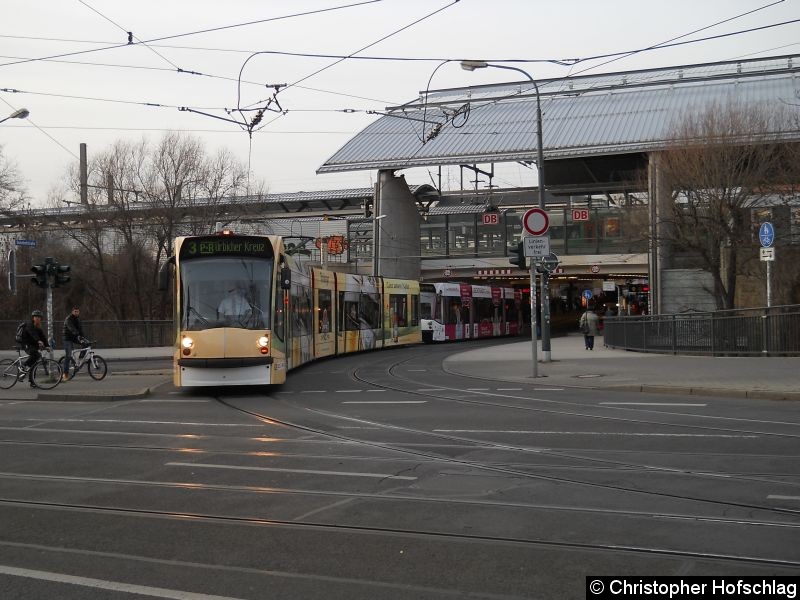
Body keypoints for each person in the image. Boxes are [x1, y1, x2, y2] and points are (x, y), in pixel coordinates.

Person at [18, 310, 49, 387]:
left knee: (34, 364)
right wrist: (38, 341)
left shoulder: (38, 327)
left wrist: (47, 346)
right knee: (36, 354)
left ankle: (32, 382)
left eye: (39, 317)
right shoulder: (30, 325)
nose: (38, 318)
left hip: (33, 345)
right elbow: (33, 334)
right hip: (26, 344)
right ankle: (24, 366)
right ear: (33, 318)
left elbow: (43, 337)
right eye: (36, 317)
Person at [62, 306, 86, 381]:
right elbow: (72, 328)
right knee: (68, 355)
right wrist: (78, 335)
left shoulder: (78, 319)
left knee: (86, 344)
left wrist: (83, 338)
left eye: (77, 311)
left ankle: (79, 361)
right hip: (67, 338)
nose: (76, 313)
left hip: (75, 337)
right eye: (75, 311)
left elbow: (80, 329)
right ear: (72, 312)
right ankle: (65, 374)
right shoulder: (68, 319)